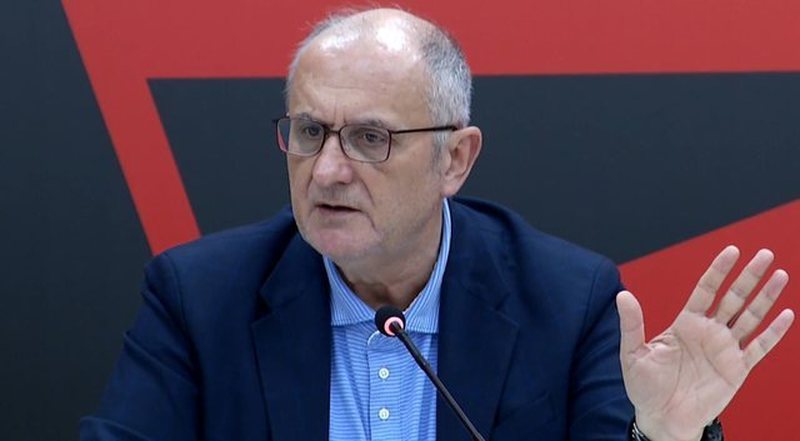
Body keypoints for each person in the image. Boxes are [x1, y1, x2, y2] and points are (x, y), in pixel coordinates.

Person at [80, 8, 794, 441]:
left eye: (369, 138)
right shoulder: (200, 298)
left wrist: (661, 435)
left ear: (455, 159)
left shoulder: (566, 301)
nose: (326, 171)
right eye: (309, 132)